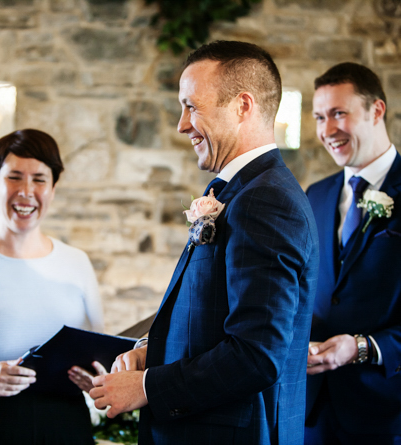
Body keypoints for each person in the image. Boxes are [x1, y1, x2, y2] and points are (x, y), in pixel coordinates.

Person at [90, 40, 319, 445]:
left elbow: (256, 355)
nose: (181, 124)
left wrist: (146, 387)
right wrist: (150, 350)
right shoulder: (244, 192)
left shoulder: (265, 200)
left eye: (191, 106)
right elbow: (211, 318)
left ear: (242, 106)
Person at [0, 128, 104, 444]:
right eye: (14, 177)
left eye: (39, 179)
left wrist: (98, 378)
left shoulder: (77, 262)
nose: (26, 191)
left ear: (52, 189)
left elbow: (99, 353)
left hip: (66, 426)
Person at [305, 62, 401, 444]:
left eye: (339, 113)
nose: (327, 131)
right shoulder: (317, 194)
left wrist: (363, 347)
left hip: (387, 413)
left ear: (376, 110)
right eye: (319, 117)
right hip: (313, 409)